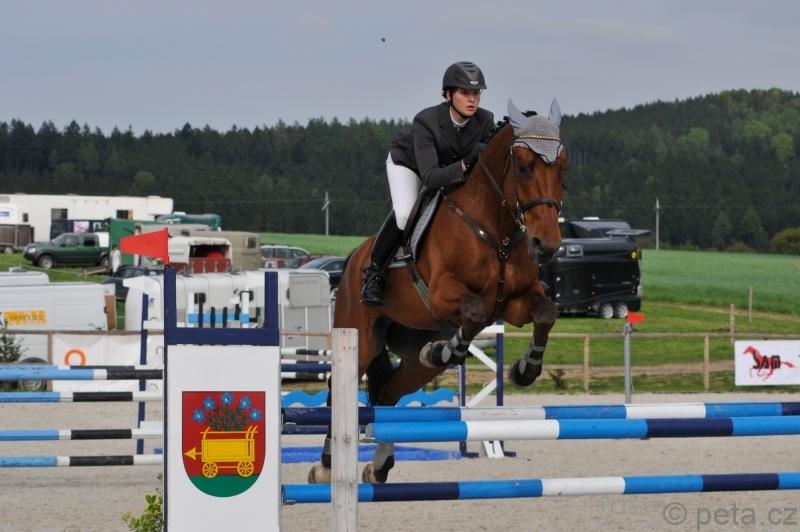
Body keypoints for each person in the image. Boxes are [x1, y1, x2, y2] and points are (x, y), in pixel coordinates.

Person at [361, 61, 495, 305]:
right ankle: (374, 274)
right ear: (448, 94)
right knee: (405, 213)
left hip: (449, 169)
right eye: (465, 92)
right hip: (410, 165)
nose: (472, 99)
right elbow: (431, 178)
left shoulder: (485, 120)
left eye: (476, 93)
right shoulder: (427, 121)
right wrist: (466, 164)